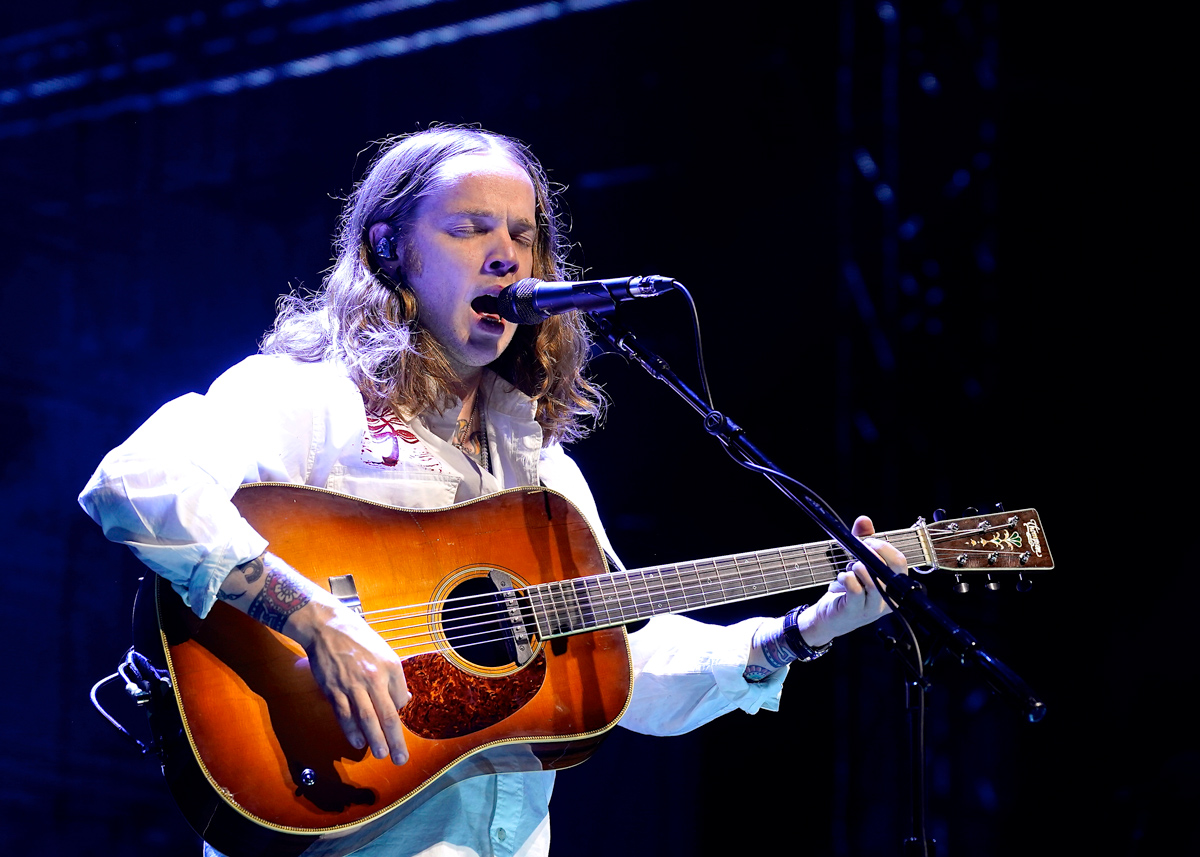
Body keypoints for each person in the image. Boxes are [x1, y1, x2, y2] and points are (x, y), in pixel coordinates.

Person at [79, 127, 906, 857]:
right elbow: (135, 481)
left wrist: (798, 633)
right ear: (389, 248)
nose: (508, 254)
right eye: (470, 228)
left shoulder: (547, 476)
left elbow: (619, 670)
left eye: (523, 232)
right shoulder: (308, 398)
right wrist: (310, 615)